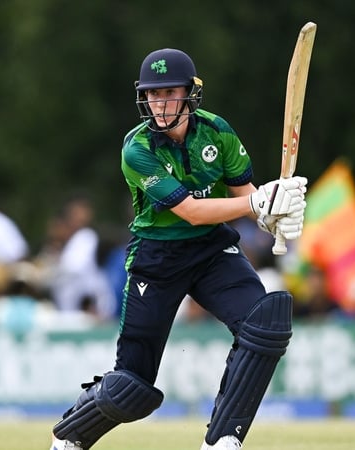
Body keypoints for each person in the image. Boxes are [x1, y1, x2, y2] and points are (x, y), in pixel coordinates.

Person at [49, 49, 307, 450]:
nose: (160, 103)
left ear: (190, 94)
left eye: (169, 92)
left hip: (210, 251)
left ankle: (222, 440)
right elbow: (191, 211)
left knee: (266, 323)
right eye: (153, 94)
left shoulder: (217, 132)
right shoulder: (136, 150)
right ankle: (70, 438)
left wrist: (276, 210)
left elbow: (245, 197)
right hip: (157, 257)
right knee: (131, 388)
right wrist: (258, 204)